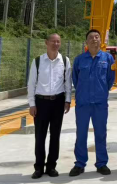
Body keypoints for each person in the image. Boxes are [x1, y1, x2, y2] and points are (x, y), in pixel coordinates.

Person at [69, 29, 115, 177]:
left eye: (97, 37)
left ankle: (101, 163)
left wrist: (102, 92)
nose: (94, 39)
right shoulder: (79, 60)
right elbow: (75, 79)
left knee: (100, 134)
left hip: (100, 104)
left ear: (101, 41)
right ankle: (80, 164)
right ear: (86, 42)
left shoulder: (108, 59)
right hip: (83, 103)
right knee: (81, 134)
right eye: (91, 37)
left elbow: (110, 79)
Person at [27, 33, 71, 179]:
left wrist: (67, 101)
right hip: (41, 103)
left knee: (55, 135)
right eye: (53, 41)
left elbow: (68, 83)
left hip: (58, 102)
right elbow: (31, 84)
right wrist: (32, 104)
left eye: (58, 41)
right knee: (40, 136)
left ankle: (51, 166)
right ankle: (39, 167)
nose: (55, 44)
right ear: (46, 42)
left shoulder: (65, 61)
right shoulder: (38, 61)